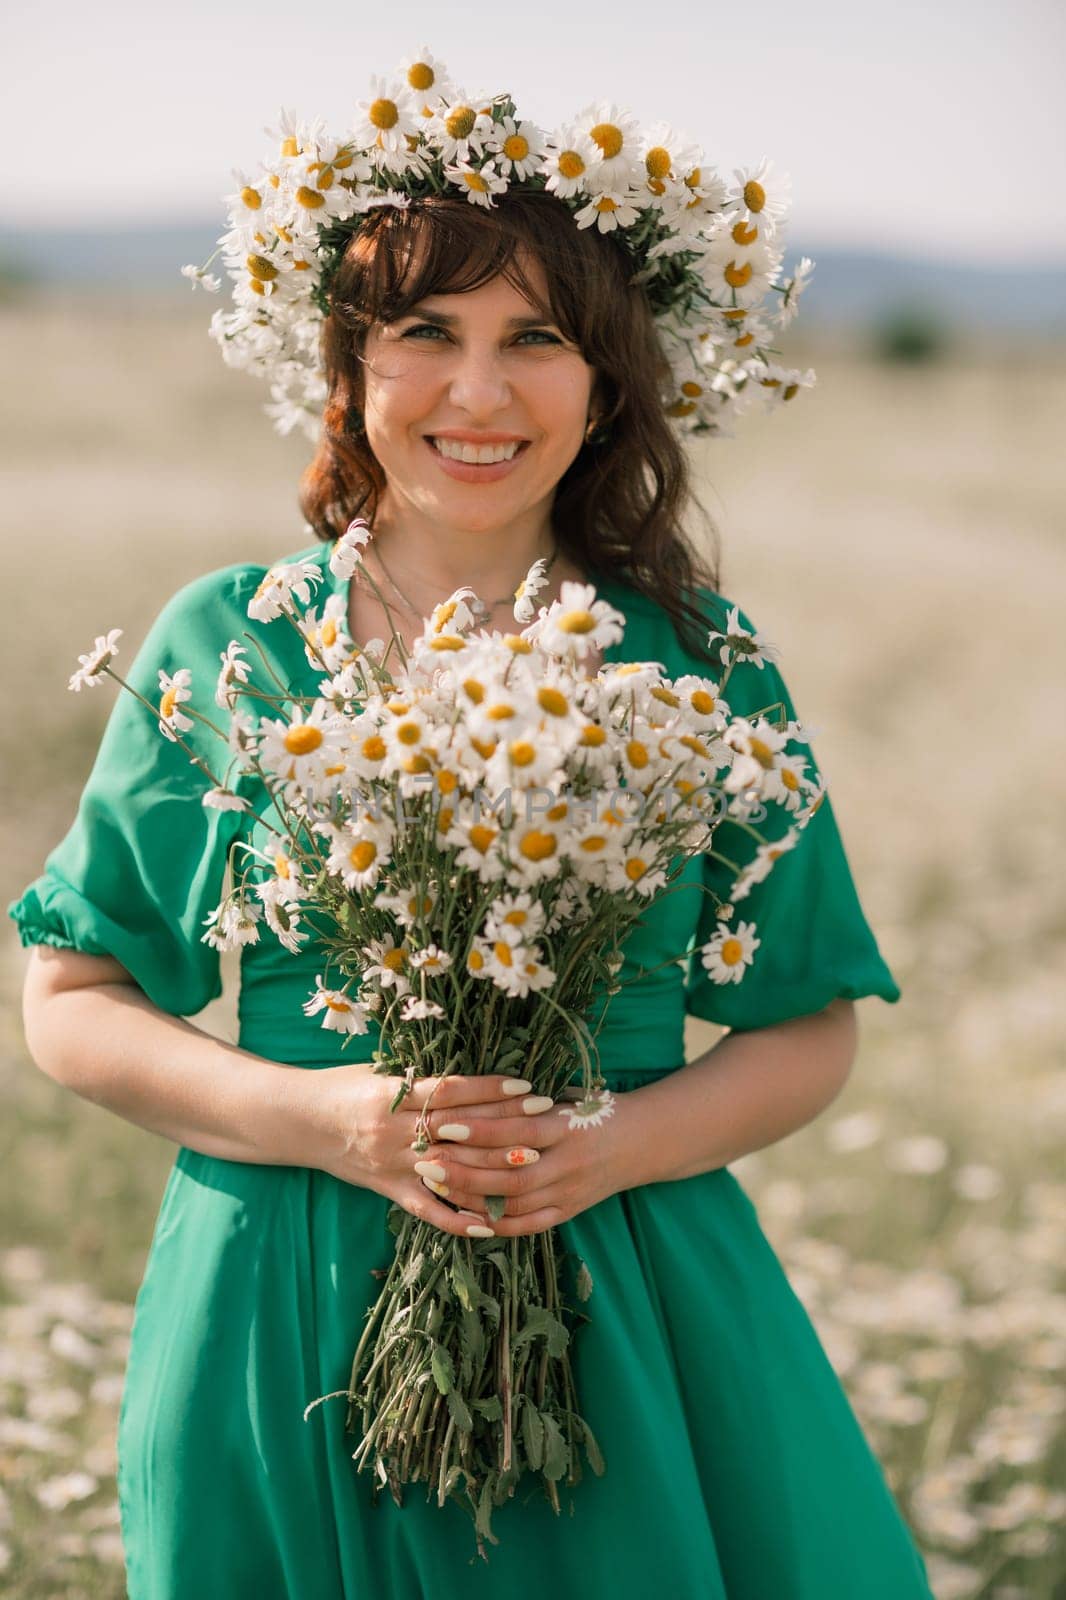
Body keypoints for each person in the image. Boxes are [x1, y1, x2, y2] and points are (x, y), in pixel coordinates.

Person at [8, 64, 935, 1599]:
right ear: (346, 367)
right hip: (280, 1296)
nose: (478, 396)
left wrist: (608, 1146)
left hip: (629, 1305)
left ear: (610, 377)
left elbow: (806, 1026)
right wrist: (339, 1125)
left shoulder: (695, 660)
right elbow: (75, 1007)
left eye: (536, 342)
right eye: (424, 335)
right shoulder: (226, 645)